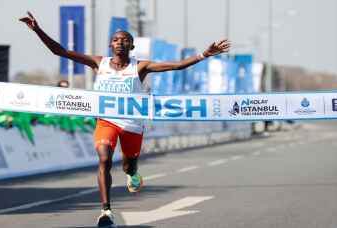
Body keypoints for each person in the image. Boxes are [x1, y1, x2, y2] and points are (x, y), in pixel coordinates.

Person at [20, 11, 230, 227]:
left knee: (128, 166)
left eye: (125, 40)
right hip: (106, 121)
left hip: (132, 124)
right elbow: (60, 51)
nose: (120, 42)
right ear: (110, 45)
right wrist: (37, 29)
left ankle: (133, 172)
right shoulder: (98, 63)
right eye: (116, 40)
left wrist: (204, 54)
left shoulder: (140, 67)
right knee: (104, 159)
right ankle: (106, 212)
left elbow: (176, 65)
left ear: (131, 47)